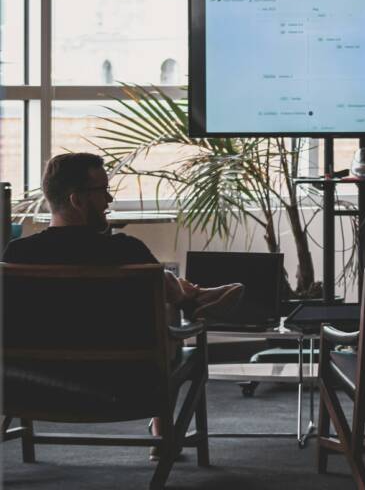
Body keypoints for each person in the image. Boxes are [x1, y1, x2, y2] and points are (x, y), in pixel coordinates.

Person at [2, 152, 243, 461]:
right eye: (102, 191)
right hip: (124, 382)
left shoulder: (16, 256)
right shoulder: (126, 250)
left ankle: (191, 297)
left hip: (32, 382)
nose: (109, 198)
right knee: (169, 313)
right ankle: (191, 301)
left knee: (162, 289)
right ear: (77, 200)